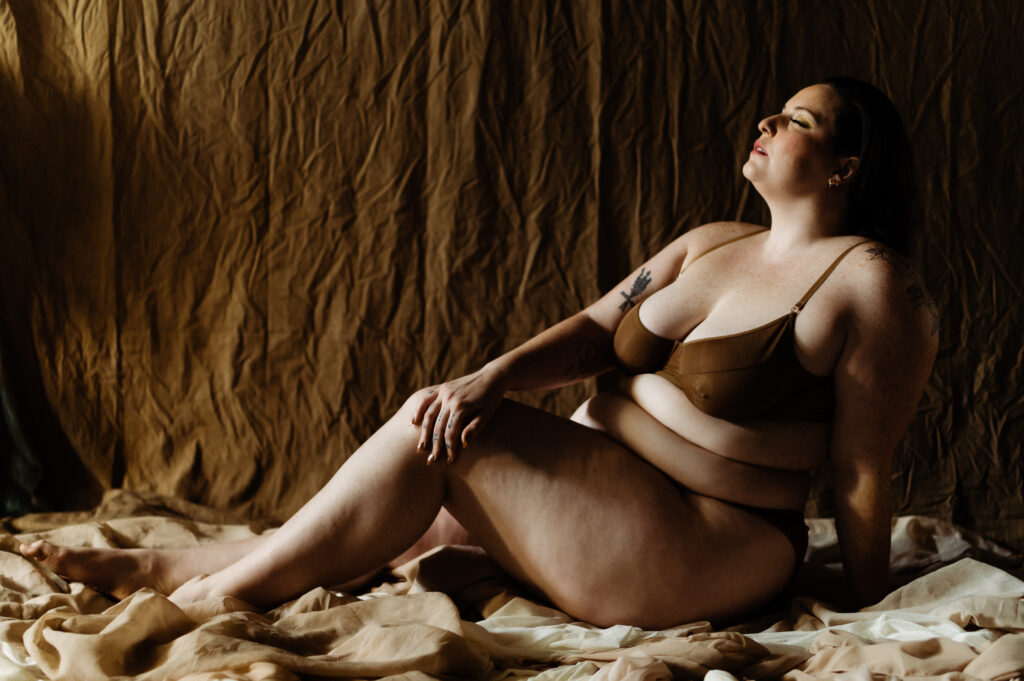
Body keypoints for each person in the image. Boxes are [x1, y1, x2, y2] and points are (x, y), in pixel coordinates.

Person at [19, 77, 938, 628]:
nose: (768, 126)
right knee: (378, 524)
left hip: (710, 538)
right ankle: (164, 568)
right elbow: (589, 329)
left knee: (449, 437)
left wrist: (865, 609)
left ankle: (216, 599)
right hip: (606, 487)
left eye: (799, 121)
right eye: (775, 113)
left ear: (846, 168)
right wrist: (492, 373)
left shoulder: (872, 284)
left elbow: (861, 466)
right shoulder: (709, 240)